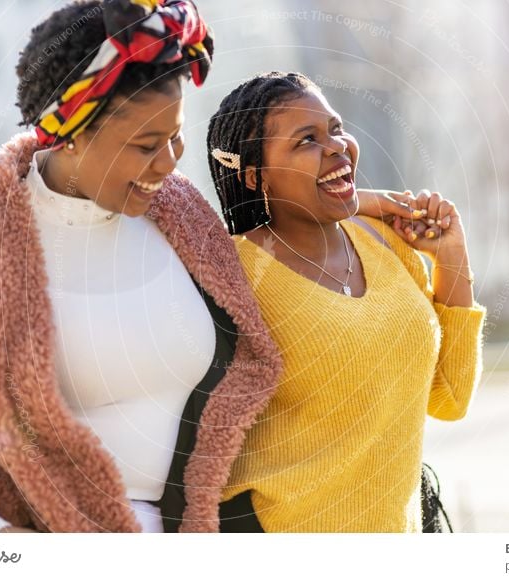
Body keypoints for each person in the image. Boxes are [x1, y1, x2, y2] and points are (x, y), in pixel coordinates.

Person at [0, 0, 287, 533]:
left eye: (176, 136)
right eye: (145, 145)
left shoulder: (182, 214)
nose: (170, 161)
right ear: (71, 134)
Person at [206, 71, 487, 532]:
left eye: (335, 129)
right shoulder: (233, 273)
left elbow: (450, 398)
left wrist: (451, 255)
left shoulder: (387, 245)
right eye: (306, 140)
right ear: (256, 176)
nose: (336, 146)